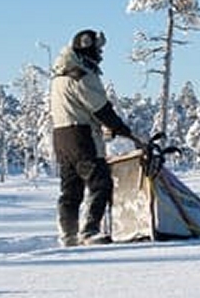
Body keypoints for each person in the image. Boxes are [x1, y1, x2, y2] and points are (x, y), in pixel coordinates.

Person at [49, 29, 138, 247]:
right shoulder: (81, 74)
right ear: (87, 47)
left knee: (71, 188)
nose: (100, 53)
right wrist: (121, 128)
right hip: (81, 137)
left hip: (61, 137)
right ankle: (89, 231)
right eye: (98, 49)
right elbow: (100, 108)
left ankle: (68, 234)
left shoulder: (60, 75)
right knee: (100, 183)